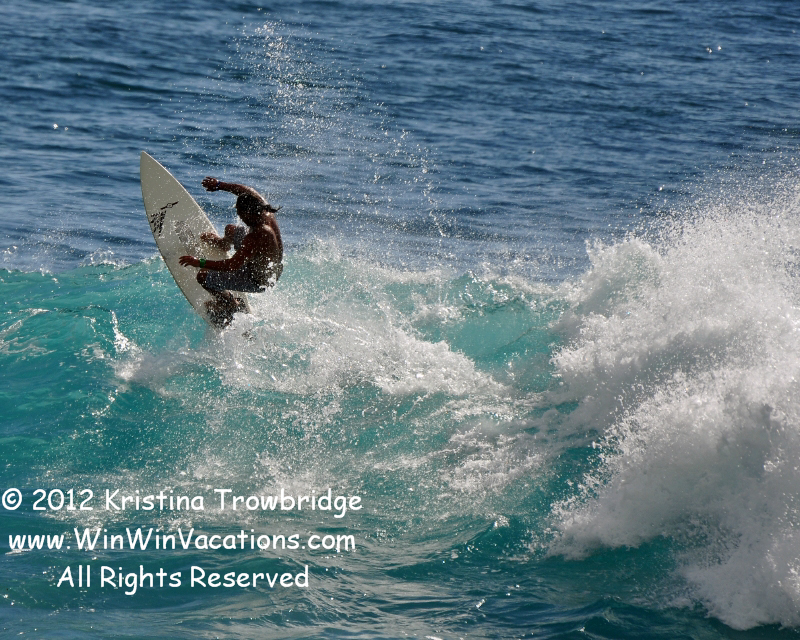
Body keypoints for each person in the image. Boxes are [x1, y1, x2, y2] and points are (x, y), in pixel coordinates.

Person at [179, 177, 283, 326]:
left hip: (259, 279)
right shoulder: (262, 210)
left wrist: (198, 262)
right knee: (231, 230)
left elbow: (231, 265)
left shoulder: (256, 236)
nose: (239, 216)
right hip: (265, 263)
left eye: (240, 213)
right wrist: (219, 185)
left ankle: (229, 303)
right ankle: (223, 244)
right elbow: (247, 191)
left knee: (203, 276)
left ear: (249, 213)